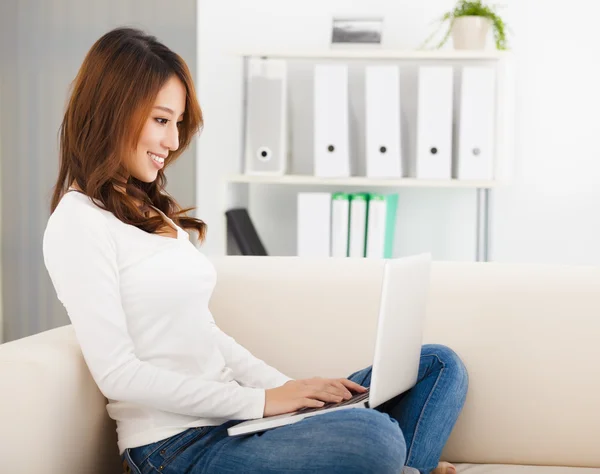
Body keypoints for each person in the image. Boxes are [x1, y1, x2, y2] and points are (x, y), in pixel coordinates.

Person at [43, 27, 468, 474]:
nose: (172, 142)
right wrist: (262, 401)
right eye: (161, 120)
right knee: (376, 438)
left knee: (440, 366)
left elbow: (205, 333)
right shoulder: (77, 223)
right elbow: (118, 374)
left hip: (236, 419)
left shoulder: (151, 211)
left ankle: (401, 467)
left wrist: (292, 392)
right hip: (176, 448)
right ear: (113, 112)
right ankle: (403, 465)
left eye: (177, 123)